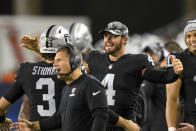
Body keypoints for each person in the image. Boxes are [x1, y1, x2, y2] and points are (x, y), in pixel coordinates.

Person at [16, 21, 183, 131]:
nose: (108, 39)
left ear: (124, 39)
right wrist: (41, 50)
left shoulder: (137, 61)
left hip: (123, 127)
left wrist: (175, 71)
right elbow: (67, 66)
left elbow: (161, 77)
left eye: (113, 36)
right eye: (105, 35)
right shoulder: (95, 58)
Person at [0, 25, 71, 131]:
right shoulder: (70, 70)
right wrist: (38, 49)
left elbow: (1, 107)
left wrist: (1, 120)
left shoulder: (26, 70)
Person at [166, 19, 196, 131]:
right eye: (188, 36)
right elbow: (172, 99)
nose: (192, 39)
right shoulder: (179, 59)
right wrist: (172, 128)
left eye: (195, 35)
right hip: (188, 123)